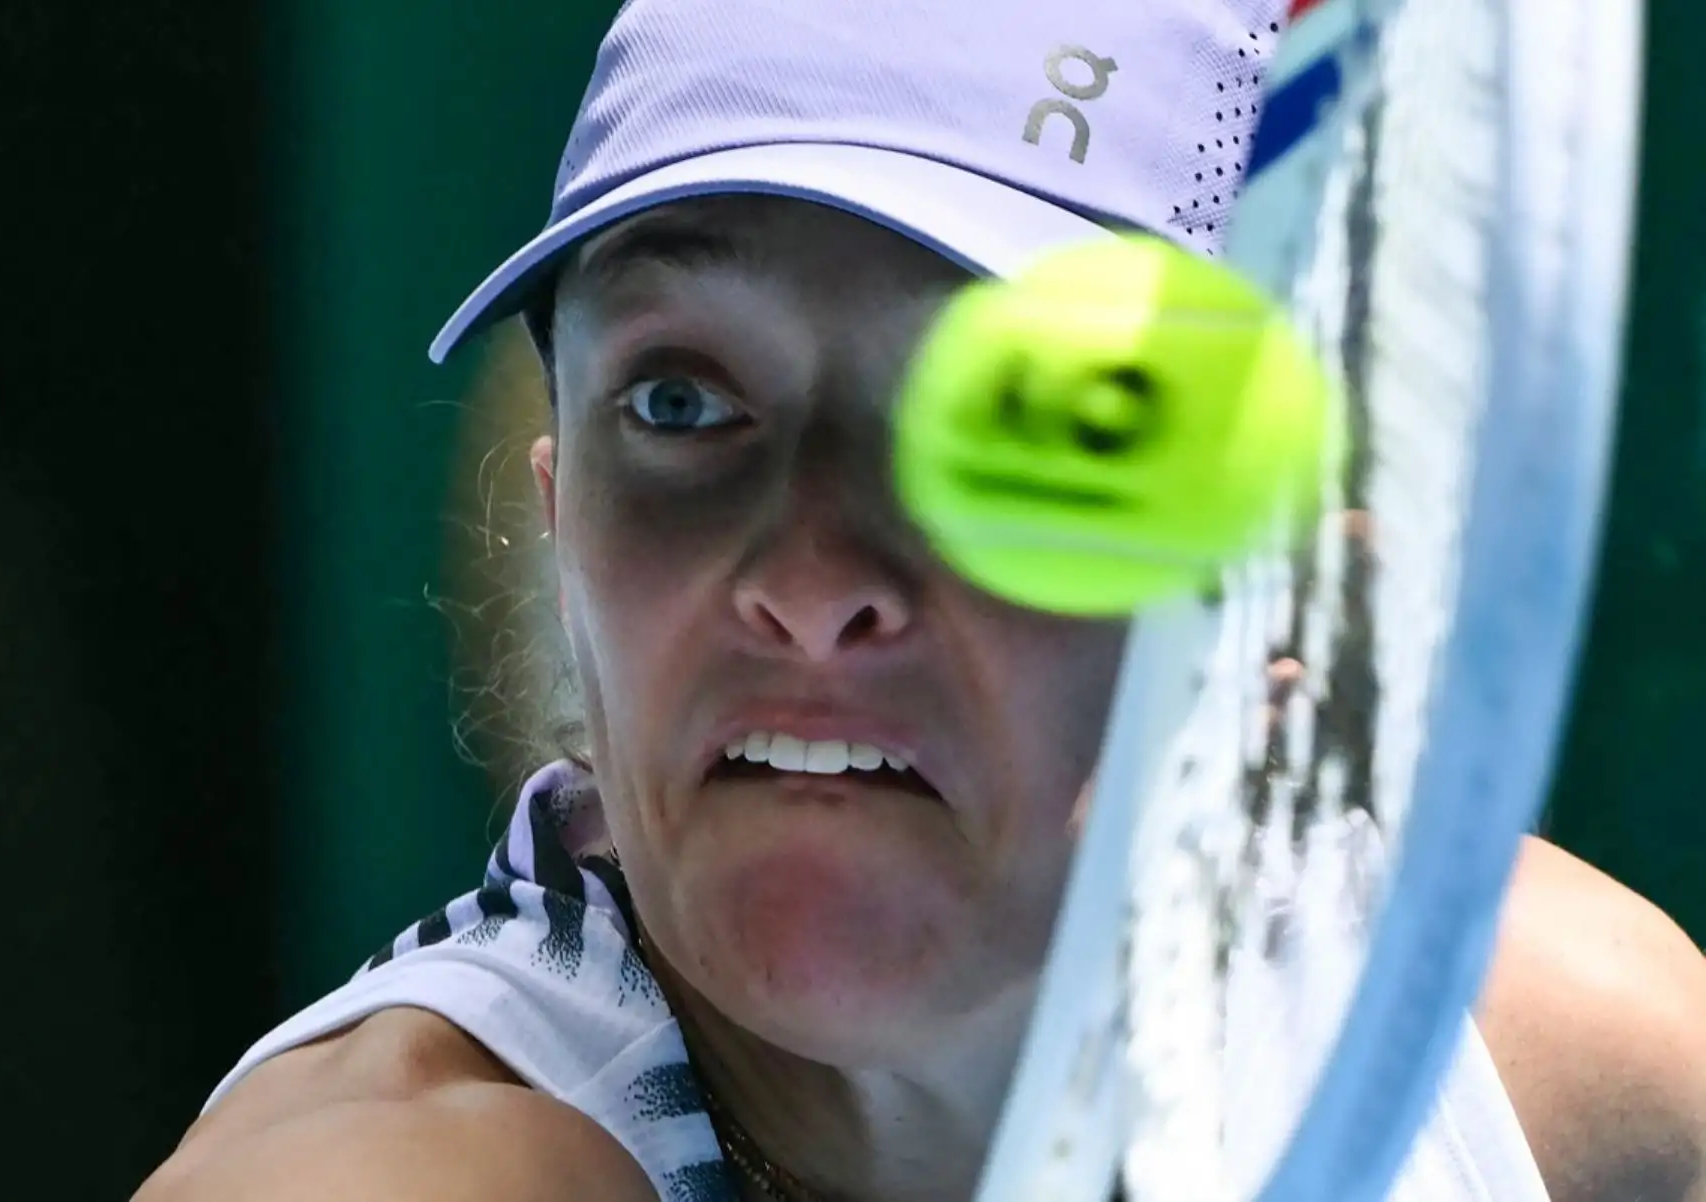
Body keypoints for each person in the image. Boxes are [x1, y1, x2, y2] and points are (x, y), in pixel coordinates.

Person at [135, 1, 1706, 1200]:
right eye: (682, 402)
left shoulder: (1576, 1072)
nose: (810, 582)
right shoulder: (399, 1169)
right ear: (560, 533)